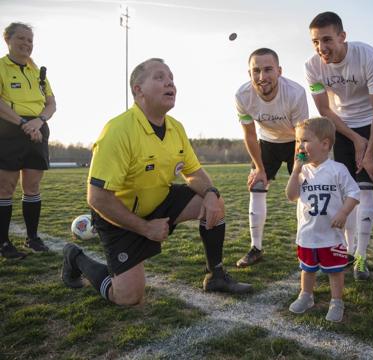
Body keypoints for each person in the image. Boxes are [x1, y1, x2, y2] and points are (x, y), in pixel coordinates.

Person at [61, 59, 252, 306]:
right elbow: (97, 198)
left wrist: (213, 193)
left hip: (160, 200)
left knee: (212, 203)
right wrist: (145, 228)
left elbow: (194, 173)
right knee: (128, 297)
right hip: (120, 216)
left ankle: (216, 275)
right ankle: (75, 257)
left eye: (171, 77)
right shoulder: (118, 130)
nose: (170, 82)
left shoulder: (176, 128)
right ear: (138, 89)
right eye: (159, 77)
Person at [305, 11, 373, 280]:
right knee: (342, 193)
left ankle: (360, 258)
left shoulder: (369, 56)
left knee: (365, 190)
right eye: (316, 42)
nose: (321, 48)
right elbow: (325, 110)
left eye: (327, 39)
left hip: (370, 124)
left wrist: (370, 152)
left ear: (342, 36)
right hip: (339, 126)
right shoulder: (312, 66)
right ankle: (345, 253)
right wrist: (354, 139)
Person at [234, 48, 308, 267]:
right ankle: (255, 248)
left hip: (295, 140)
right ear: (249, 74)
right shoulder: (242, 95)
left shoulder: (295, 92)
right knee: (257, 185)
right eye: (255, 70)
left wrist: (297, 171)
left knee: (305, 189)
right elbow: (249, 134)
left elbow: (301, 135)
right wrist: (259, 168)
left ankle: (304, 245)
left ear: (279, 71)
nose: (261, 76)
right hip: (267, 143)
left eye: (268, 70)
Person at [286, 117, 360, 322]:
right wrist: (295, 172)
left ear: (325, 144)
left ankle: (337, 301)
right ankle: (306, 295)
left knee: (335, 271)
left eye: (305, 140)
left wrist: (343, 213)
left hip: (332, 235)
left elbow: (354, 193)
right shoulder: (302, 171)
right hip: (307, 233)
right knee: (307, 269)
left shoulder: (337, 170)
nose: (300, 146)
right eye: (298, 141)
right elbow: (291, 196)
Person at [0, 22, 56, 259]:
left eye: (30, 40)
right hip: (9, 129)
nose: (26, 44)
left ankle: (32, 239)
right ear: (8, 40)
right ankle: (3, 243)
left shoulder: (39, 72)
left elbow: (52, 104)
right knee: (6, 187)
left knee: (32, 187)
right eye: (21, 38)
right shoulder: (1, 67)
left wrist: (39, 121)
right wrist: (24, 124)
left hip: (38, 130)